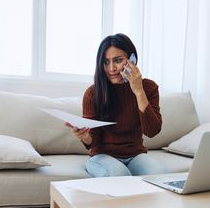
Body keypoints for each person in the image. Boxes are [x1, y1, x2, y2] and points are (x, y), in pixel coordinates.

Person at [66, 33, 165, 177]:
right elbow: (92, 143)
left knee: (161, 175)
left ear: (132, 60)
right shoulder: (93, 93)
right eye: (106, 62)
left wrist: (138, 91)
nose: (111, 68)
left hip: (136, 156)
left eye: (118, 60)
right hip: (102, 157)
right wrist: (85, 136)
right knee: (120, 175)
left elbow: (152, 131)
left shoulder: (149, 88)